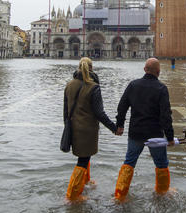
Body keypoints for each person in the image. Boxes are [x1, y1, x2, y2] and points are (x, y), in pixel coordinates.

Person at [113, 58, 174, 201]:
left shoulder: (133, 85)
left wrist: (120, 125)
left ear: (144, 69)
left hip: (136, 132)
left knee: (129, 162)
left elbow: (122, 107)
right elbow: (166, 116)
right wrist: (170, 137)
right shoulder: (161, 88)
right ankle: (162, 192)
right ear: (158, 72)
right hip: (155, 135)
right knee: (161, 164)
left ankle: (120, 195)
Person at [64, 57, 120, 201]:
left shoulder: (69, 85)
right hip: (87, 130)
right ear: (92, 68)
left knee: (84, 156)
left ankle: (85, 182)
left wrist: (68, 128)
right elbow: (99, 113)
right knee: (82, 160)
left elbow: (65, 111)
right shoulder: (93, 86)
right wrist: (114, 127)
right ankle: (73, 195)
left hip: (73, 127)